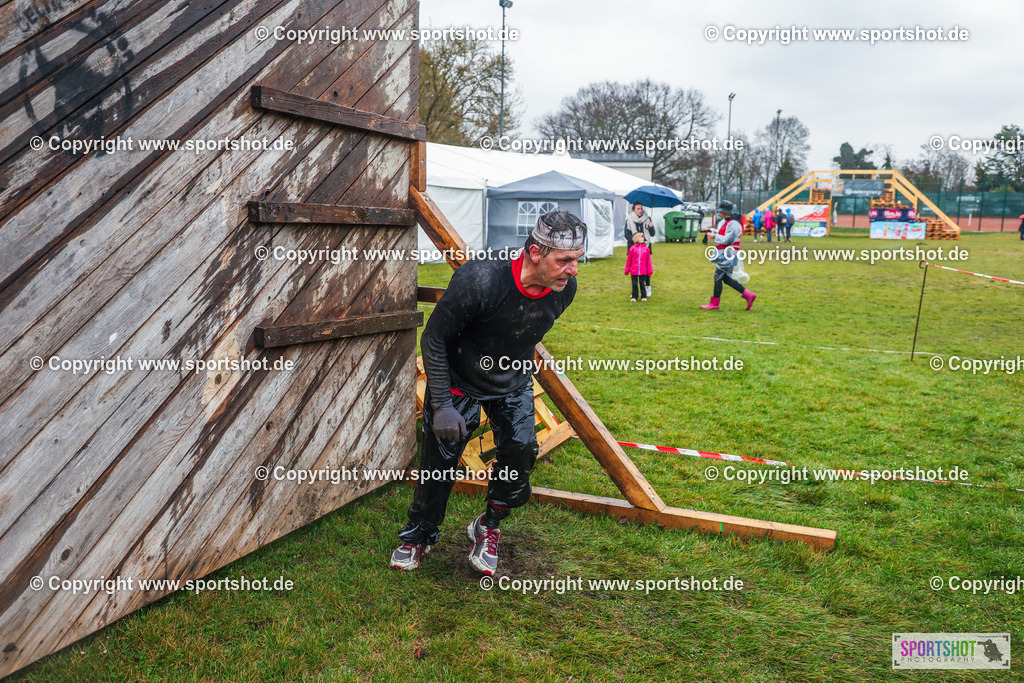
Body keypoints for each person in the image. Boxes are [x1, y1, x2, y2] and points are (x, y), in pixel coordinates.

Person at [391, 210, 586, 576]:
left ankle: (489, 525)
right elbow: (433, 338)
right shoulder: (480, 279)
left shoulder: (564, 290)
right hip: (458, 383)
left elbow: (521, 331)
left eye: (577, 259)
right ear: (535, 252)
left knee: (521, 452)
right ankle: (419, 535)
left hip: (511, 382)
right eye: (564, 260)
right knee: (439, 464)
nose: (573, 270)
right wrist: (442, 405)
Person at [701, 200, 757, 311]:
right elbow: (723, 233)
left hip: (728, 254)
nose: (719, 213)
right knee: (725, 278)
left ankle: (714, 303)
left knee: (718, 277)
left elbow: (728, 240)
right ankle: (748, 295)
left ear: (724, 212)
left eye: (720, 211)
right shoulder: (729, 221)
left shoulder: (734, 223)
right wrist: (711, 230)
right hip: (726, 253)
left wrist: (714, 236)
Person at [624, 231, 653, 301]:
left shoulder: (646, 249)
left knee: (642, 283)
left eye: (642, 237)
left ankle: (644, 296)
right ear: (636, 239)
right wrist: (627, 269)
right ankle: (634, 296)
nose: (641, 239)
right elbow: (629, 260)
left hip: (643, 270)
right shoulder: (632, 249)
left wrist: (650, 271)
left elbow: (648, 261)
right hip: (634, 270)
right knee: (634, 283)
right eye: (640, 237)